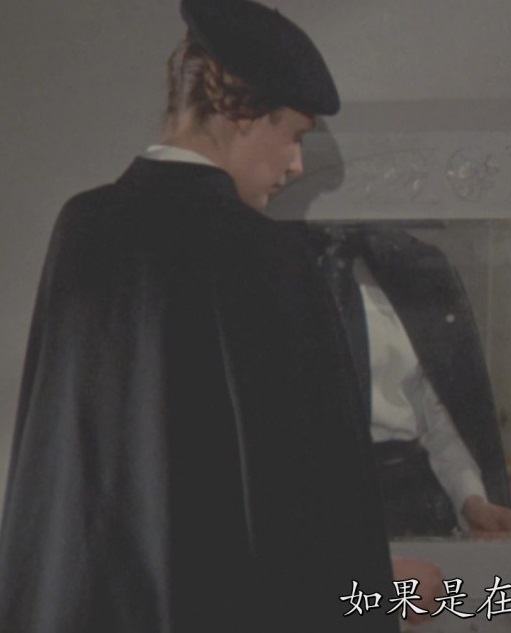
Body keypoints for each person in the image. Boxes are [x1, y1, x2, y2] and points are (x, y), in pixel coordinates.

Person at [0, 1, 425, 630]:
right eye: (295, 135)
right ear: (242, 111)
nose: (296, 164)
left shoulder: (83, 229)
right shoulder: (269, 258)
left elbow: (51, 474)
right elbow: (315, 502)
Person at [306, 223, 511, 537]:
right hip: (316, 497)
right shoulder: (277, 270)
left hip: (407, 497)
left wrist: (470, 499)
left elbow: (437, 416)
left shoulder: (412, 269)